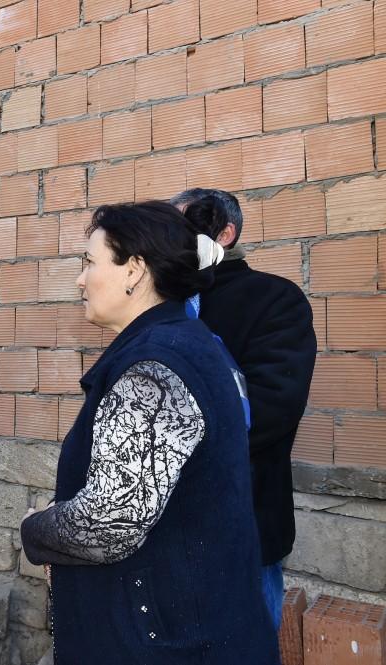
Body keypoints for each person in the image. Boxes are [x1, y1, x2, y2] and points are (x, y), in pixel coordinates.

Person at [19, 202, 280, 664]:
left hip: (166, 645)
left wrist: (36, 529)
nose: (80, 280)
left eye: (89, 263)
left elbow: (109, 522)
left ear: (134, 271)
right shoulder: (186, 341)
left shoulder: (155, 369)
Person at [173, 188, 316, 627]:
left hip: (243, 525)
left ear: (225, 234)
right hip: (164, 532)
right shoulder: (161, 305)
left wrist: (169, 444)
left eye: (183, 230)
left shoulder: (275, 300)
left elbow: (270, 408)